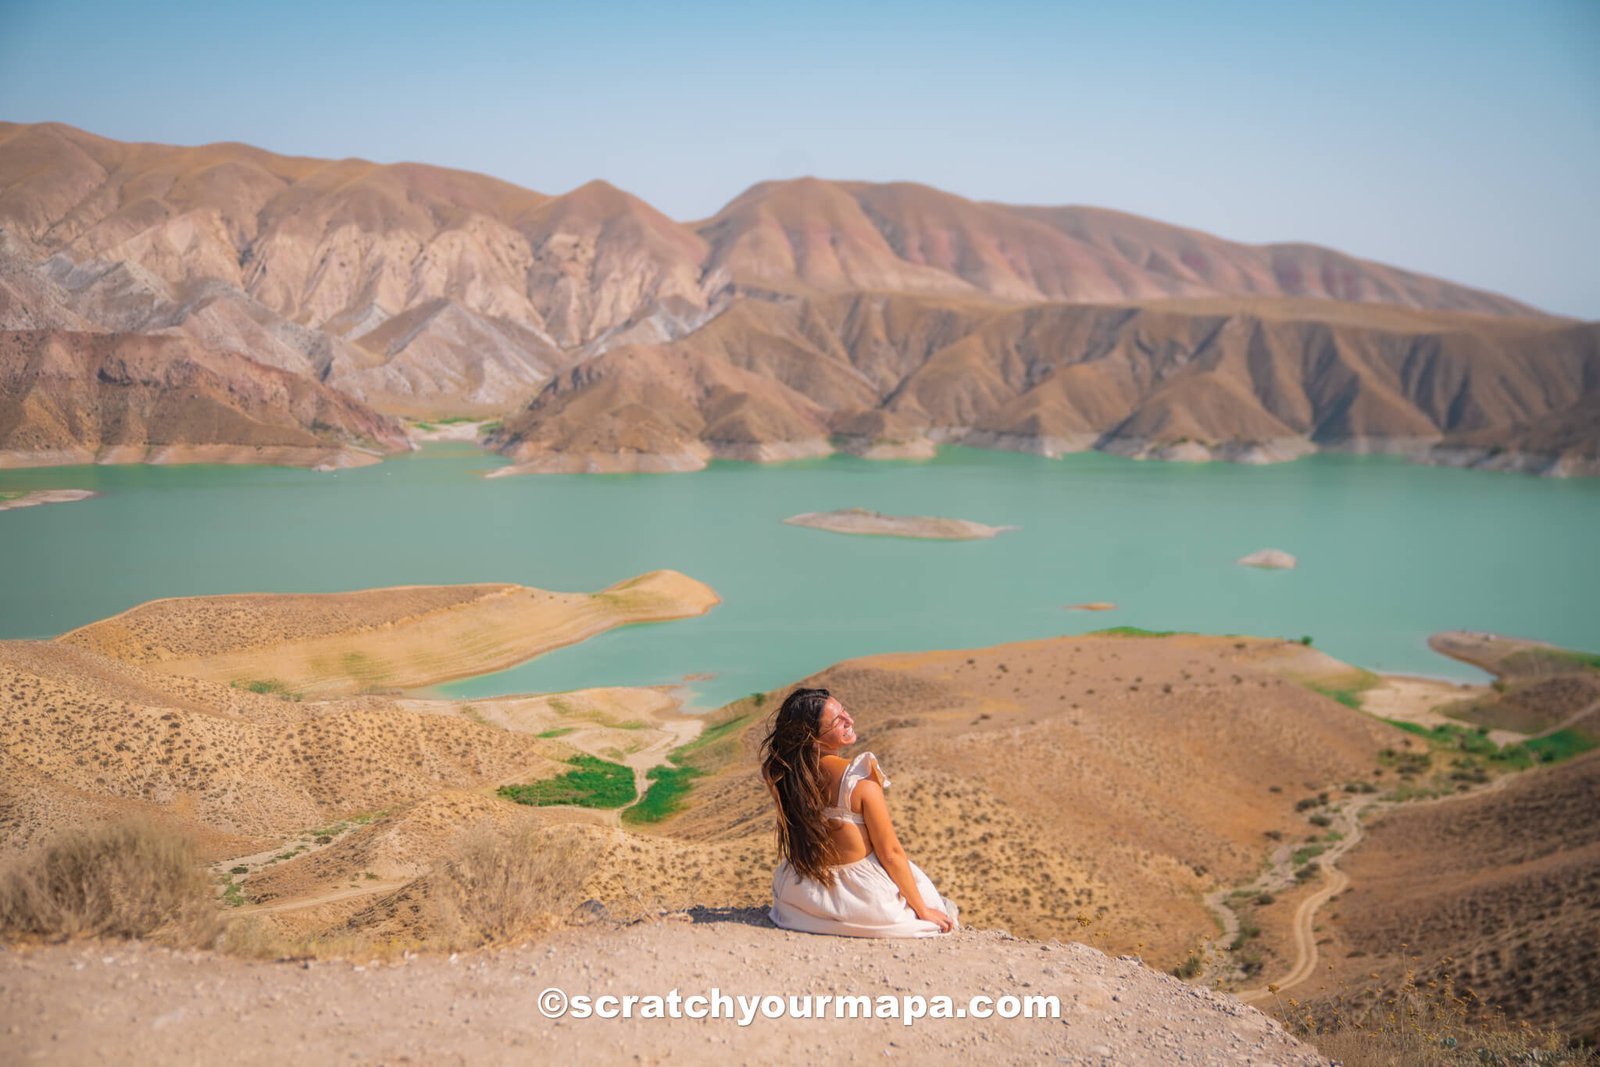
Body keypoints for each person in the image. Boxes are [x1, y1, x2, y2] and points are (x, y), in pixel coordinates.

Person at [761, 686, 959, 937]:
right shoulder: (860, 780)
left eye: (844, 711)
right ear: (812, 737)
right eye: (837, 720)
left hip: (800, 894)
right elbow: (891, 853)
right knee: (931, 900)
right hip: (862, 902)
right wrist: (922, 910)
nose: (849, 720)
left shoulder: (779, 774)